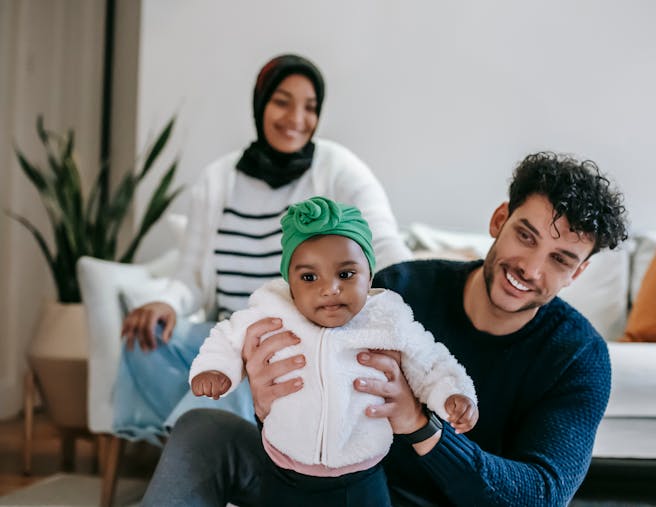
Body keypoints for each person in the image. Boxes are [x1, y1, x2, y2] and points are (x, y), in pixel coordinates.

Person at [141, 151, 629, 506]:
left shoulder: (578, 357)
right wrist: (268, 406)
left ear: (578, 273)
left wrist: (420, 426)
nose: (531, 268)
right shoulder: (399, 292)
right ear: (499, 219)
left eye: (560, 259)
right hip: (327, 485)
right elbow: (314, 382)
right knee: (204, 430)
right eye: (526, 236)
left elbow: (539, 495)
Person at [114, 54, 412, 443]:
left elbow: (386, 248)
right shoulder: (217, 180)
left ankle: (201, 443)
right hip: (228, 331)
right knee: (146, 340)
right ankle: (218, 433)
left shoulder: (339, 168)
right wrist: (166, 303)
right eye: (282, 101)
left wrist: (413, 297)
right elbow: (189, 277)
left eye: (310, 107)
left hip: (300, 337)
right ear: (261, 103)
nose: (296, 118)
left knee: (257, 363)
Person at [190, 196, 477, 506]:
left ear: (369, 277)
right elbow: (227, 336)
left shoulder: (387, 319)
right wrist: (215, 369)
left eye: (346, 274)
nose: (329, 289)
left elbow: (430, 361)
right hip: (285, 470)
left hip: (362, 476)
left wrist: (452, 394)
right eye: (309, 277)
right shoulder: (272, 310)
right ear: (290, 283)